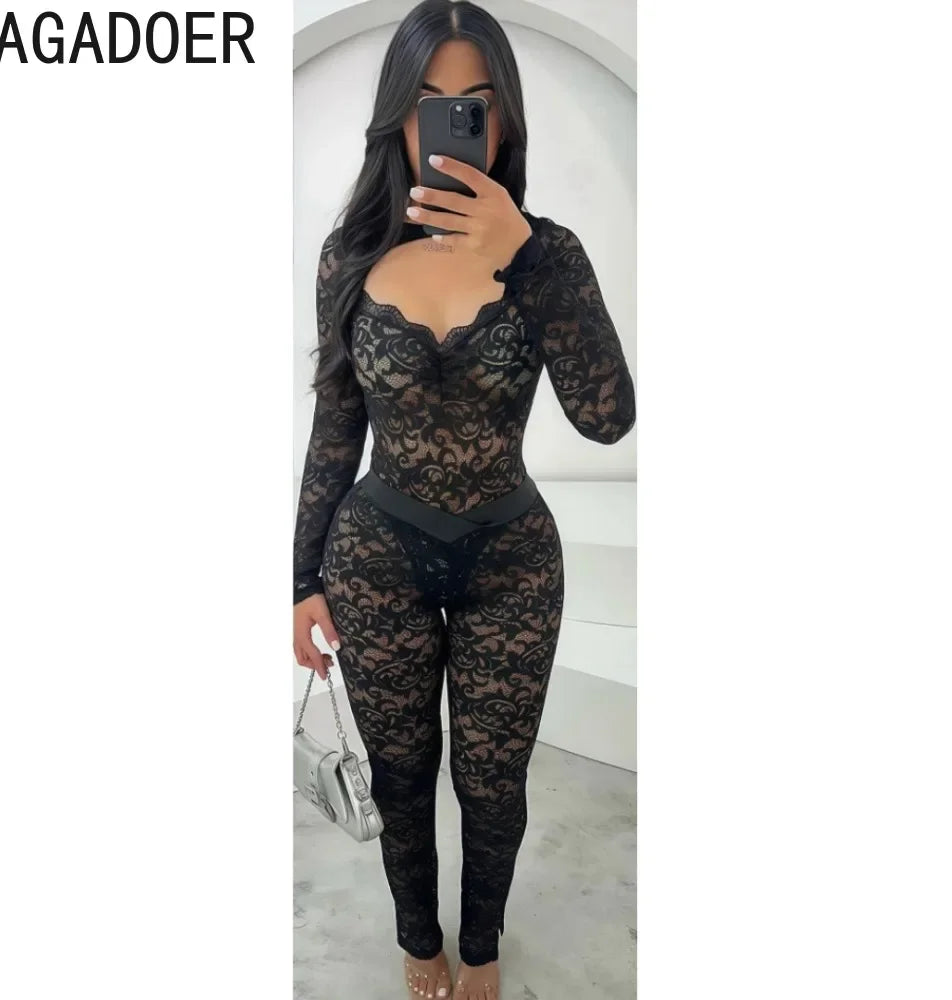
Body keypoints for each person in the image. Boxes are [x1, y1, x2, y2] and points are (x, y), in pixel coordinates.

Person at [292, 2, 636, 997]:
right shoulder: (350, 256)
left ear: (504, 118)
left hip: (510, 563)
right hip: (376, 559)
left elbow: (607, 418)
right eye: (429, 103)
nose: (451, 125)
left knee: (493, 785)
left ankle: (481, 948)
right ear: (398, 118)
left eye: (473, 104)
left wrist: (523, 254)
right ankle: (419, 941)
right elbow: (334, 429)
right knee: (401, 780)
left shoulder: (548, 253)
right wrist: (300, 577)